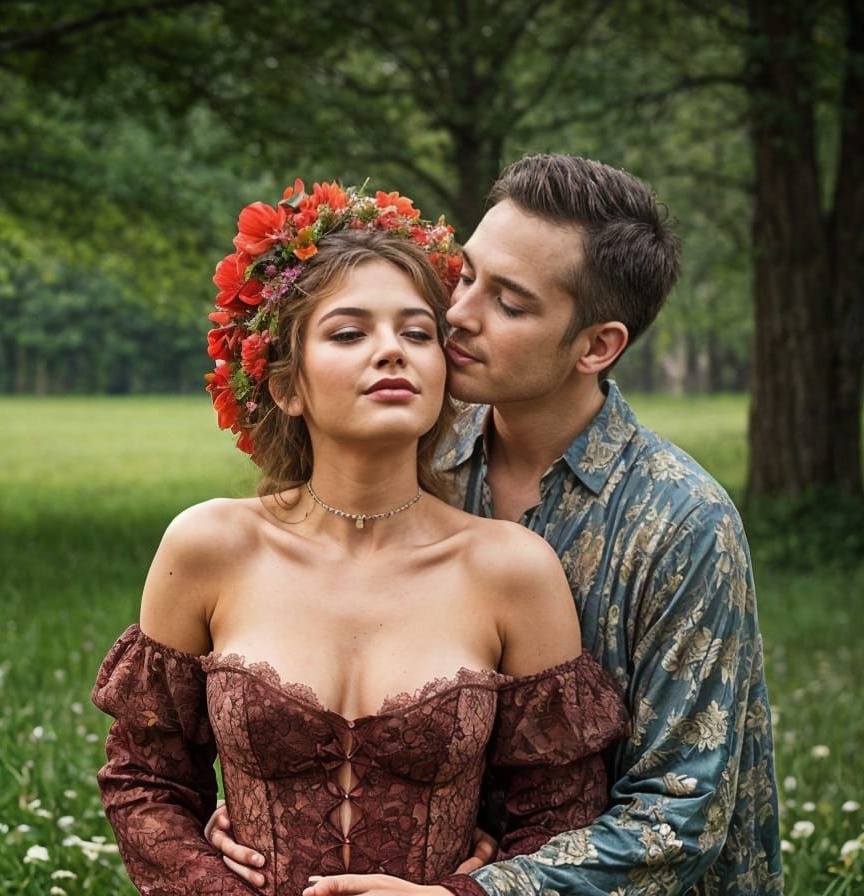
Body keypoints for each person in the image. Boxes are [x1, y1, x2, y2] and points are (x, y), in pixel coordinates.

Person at [213, 156, 784, 896]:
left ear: (596, 346)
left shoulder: (680, 525)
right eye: (467, 275)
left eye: (509, 304)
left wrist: (484, 891)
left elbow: (680, 821)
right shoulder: (421, 450)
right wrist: (265, 809)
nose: (457, 313)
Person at [92, 181, 629, 896]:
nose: (392, 352)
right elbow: (145, 782)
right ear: (287, 386)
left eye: (417, 333)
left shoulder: (512, 570)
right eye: (349, 333)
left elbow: (559, 815)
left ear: (445, 371)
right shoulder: (209, 547)